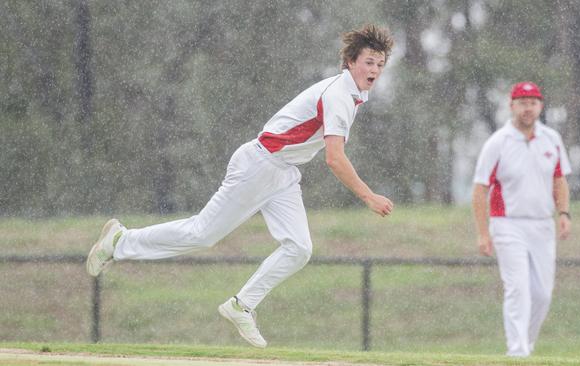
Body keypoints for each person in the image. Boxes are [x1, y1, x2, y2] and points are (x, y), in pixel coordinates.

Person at [85, 24, 394, 348]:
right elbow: (334, 158)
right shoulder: (338, 96)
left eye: (380, 64)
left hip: (283, 171)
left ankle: (240, 305)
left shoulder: (354, 95)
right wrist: (368, 196)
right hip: (260, 164)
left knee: (300, 248)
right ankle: (120, 241)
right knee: (202, 233)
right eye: (369, 61)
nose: (374, 69)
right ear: (350, 62)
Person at [471, 81, 572, 357]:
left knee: (542, 295)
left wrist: (563, 213)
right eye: (522, 103)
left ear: (540, 105)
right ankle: (517, 352)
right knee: (518, 289)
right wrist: (483, 233)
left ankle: (525, 345)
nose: (528, 109)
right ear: (512, 105)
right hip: (507, 223)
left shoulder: (551, 139)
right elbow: (480, 189)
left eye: (533, 103)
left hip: (542, 223)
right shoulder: (498, 143)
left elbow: (559, 178)